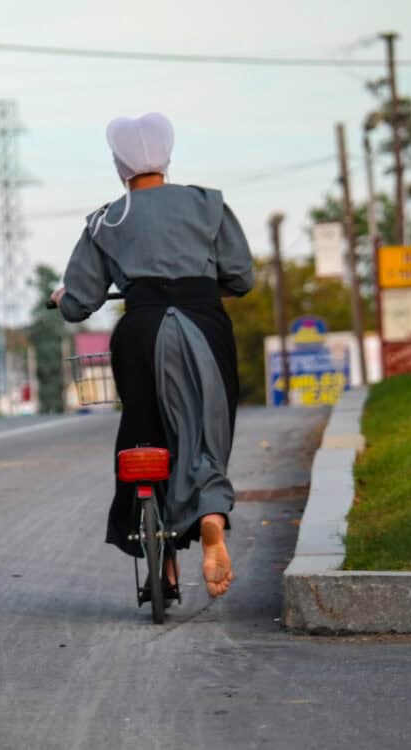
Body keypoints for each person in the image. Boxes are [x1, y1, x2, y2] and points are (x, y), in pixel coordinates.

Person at [52, 113, 254, 598]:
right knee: (206, 429)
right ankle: (210, 512)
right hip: (204, 322)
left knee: (144, 437)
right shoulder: (208, 204)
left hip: (140, 329)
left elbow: (80, 304)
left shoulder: (107, 219)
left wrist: (62, 297)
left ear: (119, 164)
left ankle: (160, 566)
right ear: (167, 155)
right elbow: (242, 277)